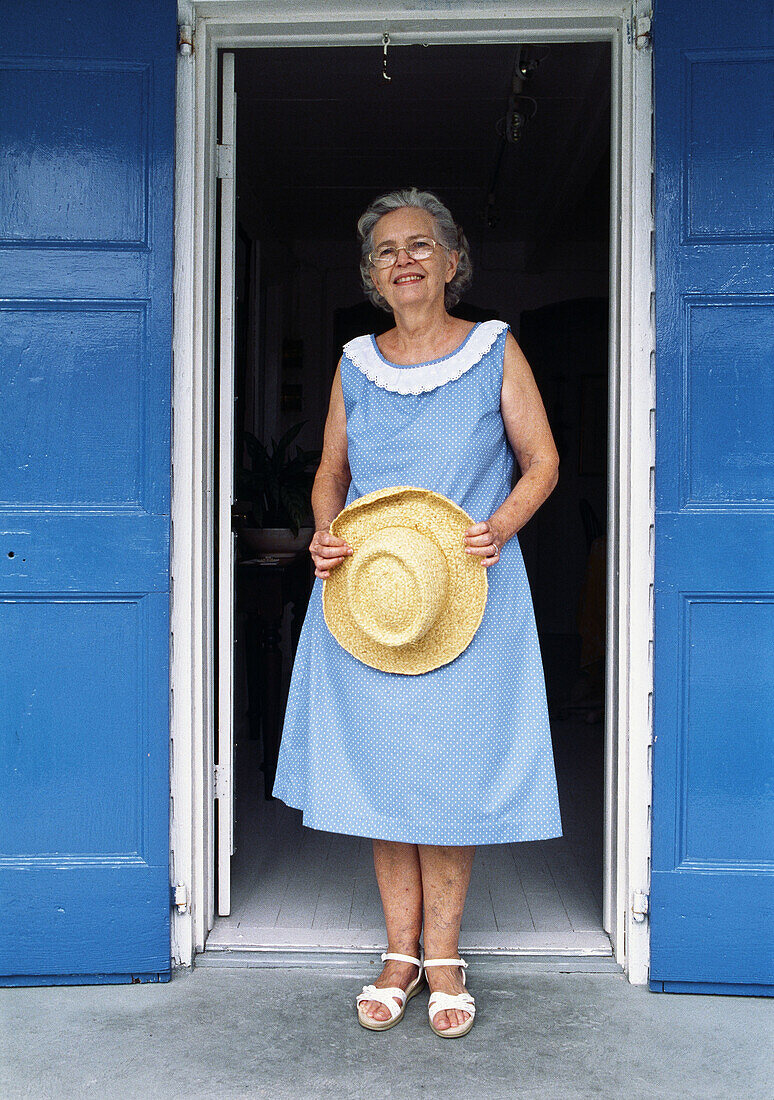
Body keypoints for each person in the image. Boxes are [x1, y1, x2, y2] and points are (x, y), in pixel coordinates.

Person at [272, 187, 562, 1037]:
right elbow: (331, 471)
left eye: (422, 245)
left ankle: (444, 954)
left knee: (453, 777)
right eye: (387, 250)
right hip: (377, 600)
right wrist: (325, 534)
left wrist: (499, 526)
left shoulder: (495, 349)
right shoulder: (354, 362)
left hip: (469, 595)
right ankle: (399, 952)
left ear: (452, 263)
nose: (405, 258)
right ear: (371, 275)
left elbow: (540, 461)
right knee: (387, 776)